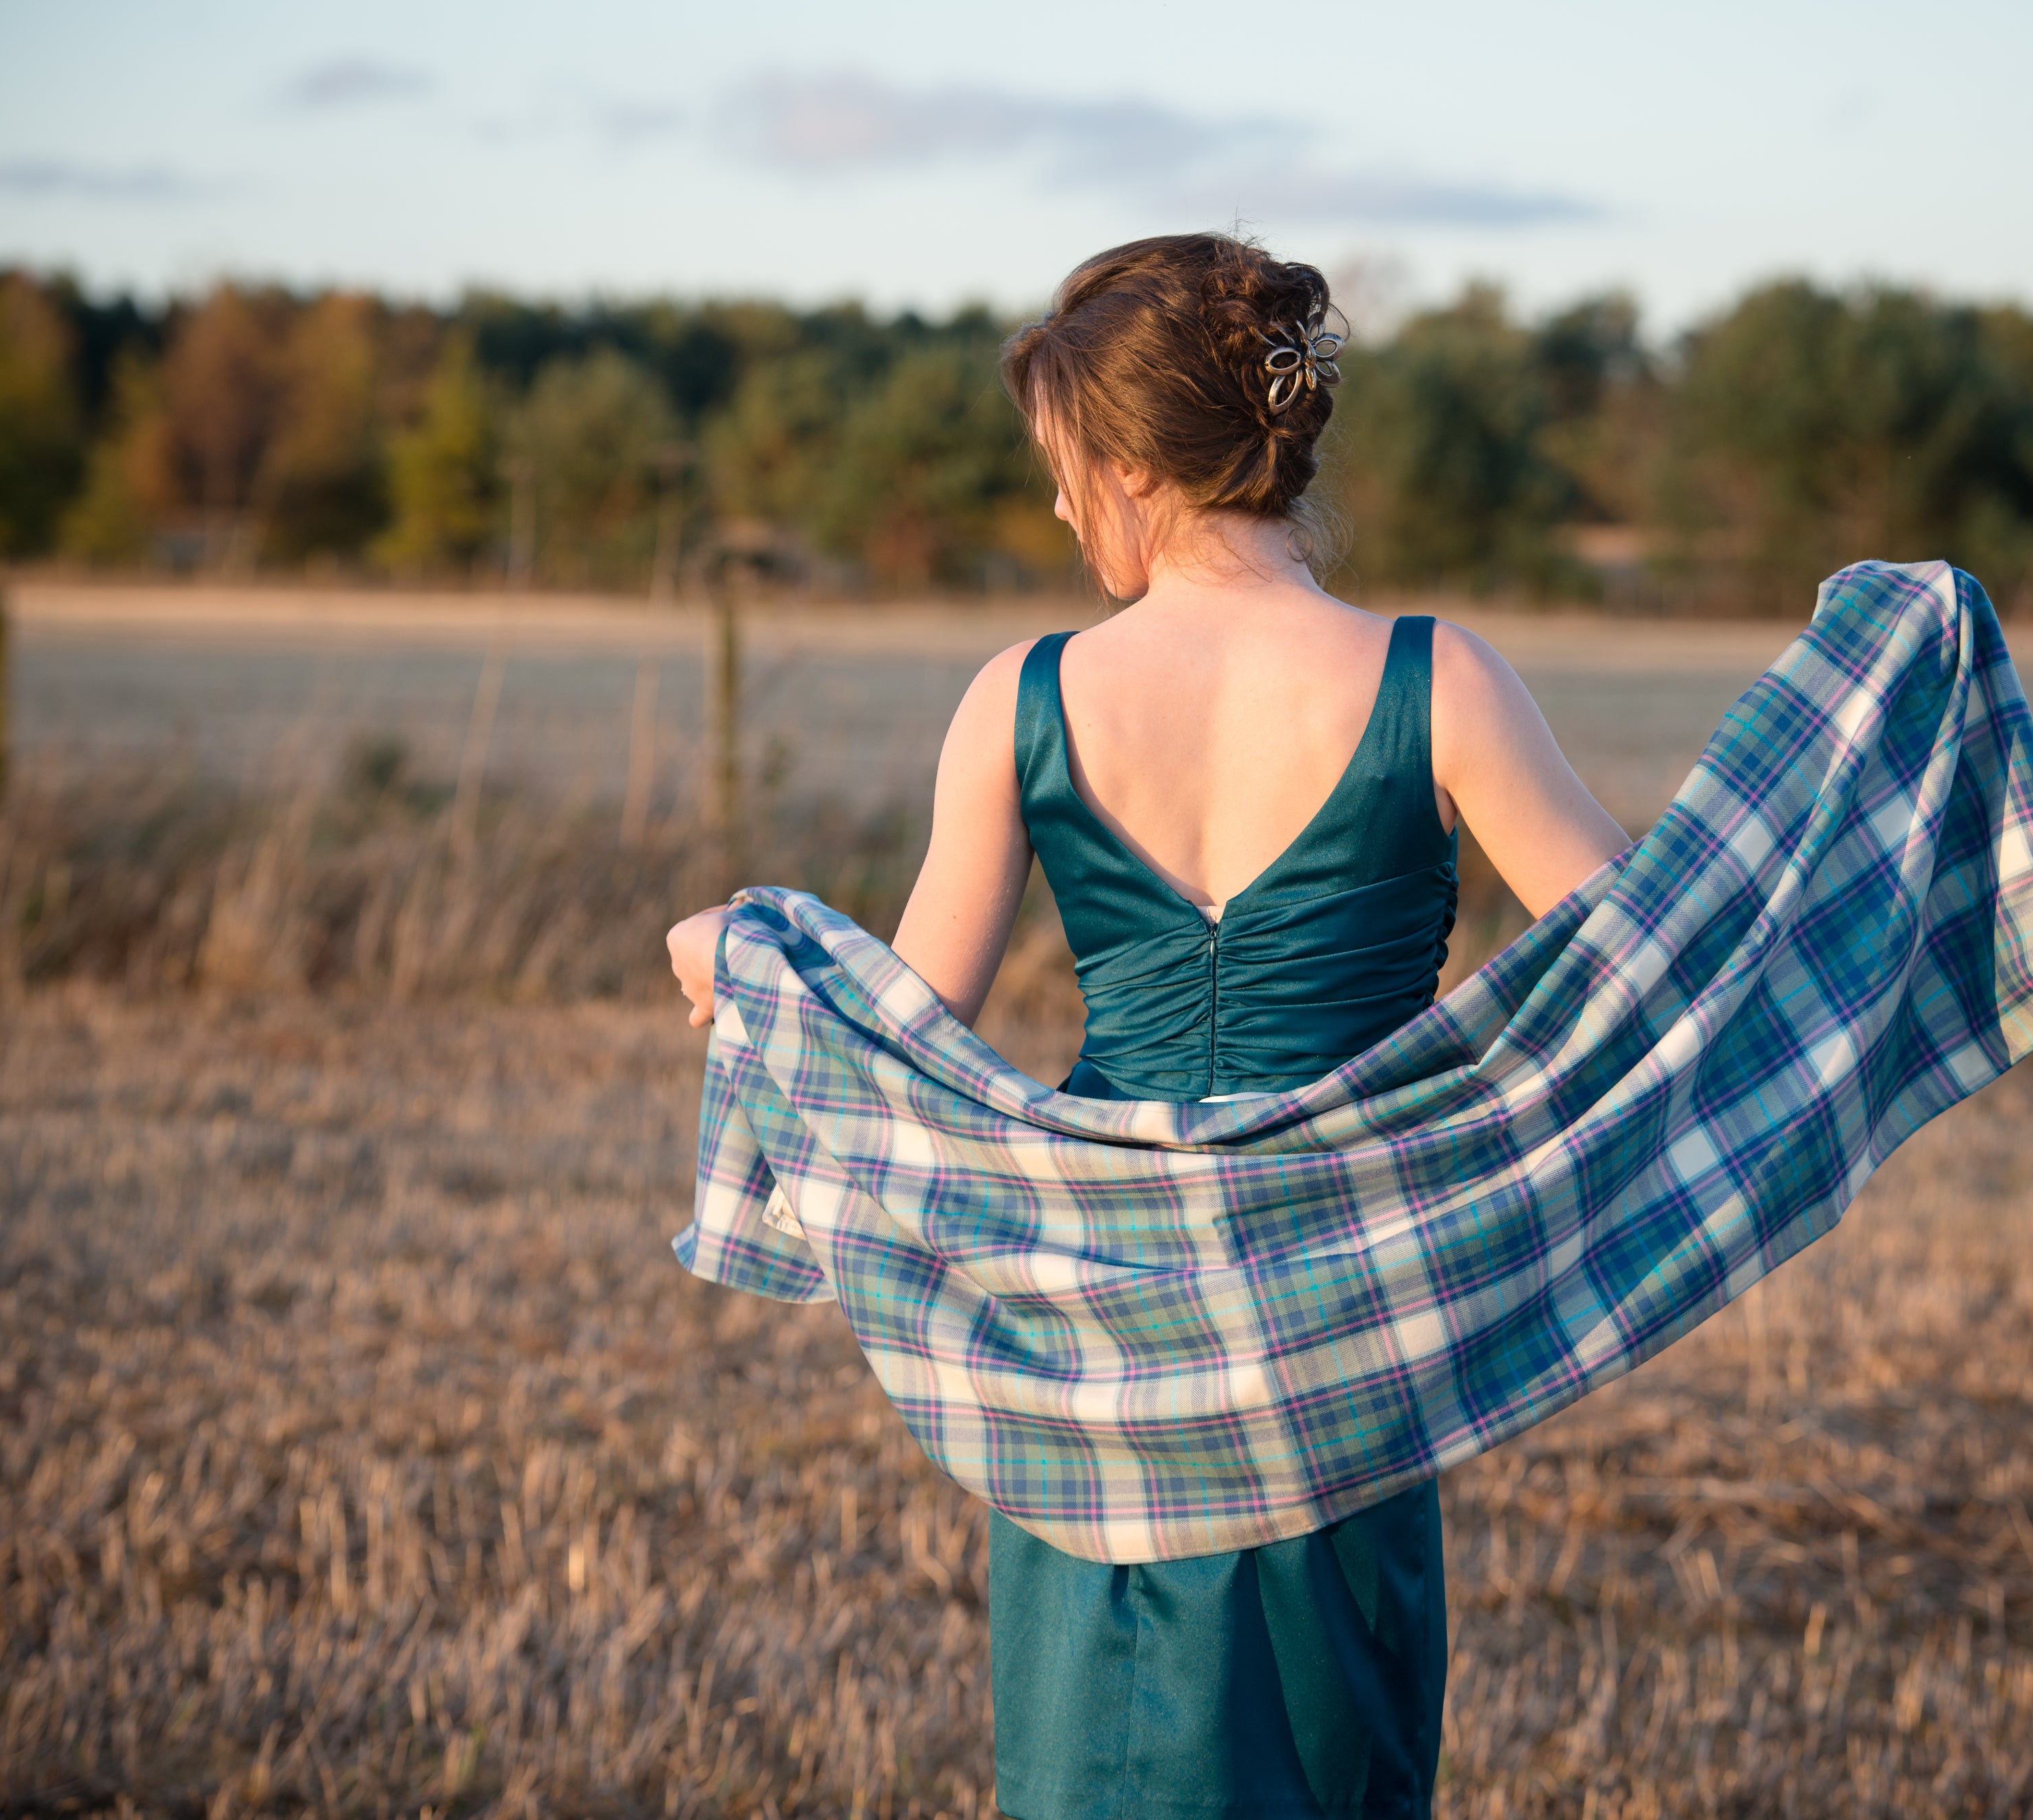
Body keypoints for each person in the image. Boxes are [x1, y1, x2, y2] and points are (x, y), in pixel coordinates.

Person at [669, 232, 1632, 1820]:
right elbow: (1640, 971)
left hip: (1091, 1348)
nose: (1056, 509)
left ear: (1131, 464)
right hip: (1339, 1331)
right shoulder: (1436, 679)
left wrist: (754, 957)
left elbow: (903, 1043)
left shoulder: (1023, 697)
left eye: (1062, 468)